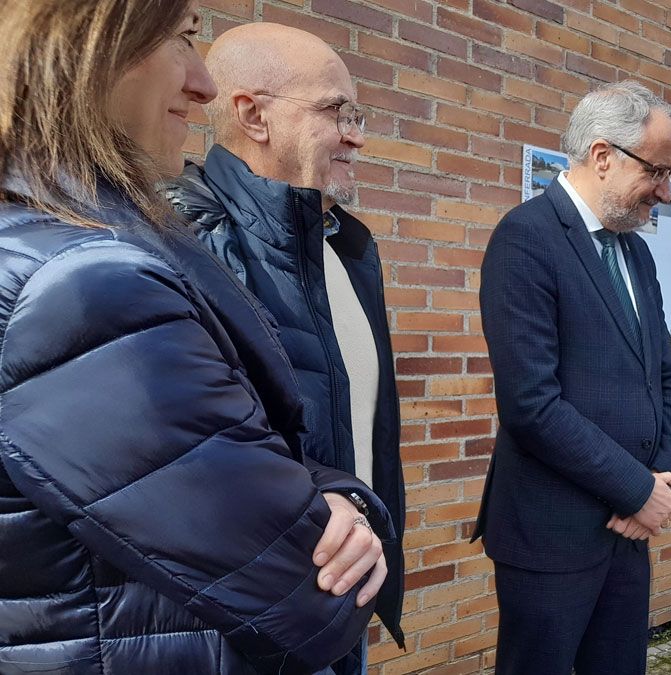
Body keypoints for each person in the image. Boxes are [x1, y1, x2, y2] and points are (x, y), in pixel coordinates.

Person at [0, 2, 397, 673]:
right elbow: (297, 578)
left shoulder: (348, 247)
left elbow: (271, 440)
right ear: (91, 47)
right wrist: (348, 525)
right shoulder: (99, 276)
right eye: (336, 111)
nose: (202, 83)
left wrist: (352, 500)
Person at [161, 23, 405, 668]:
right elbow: (186, 462)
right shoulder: (181, 240)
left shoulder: (344, 244)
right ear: (253, 116)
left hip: (338, 595)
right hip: (250, 624)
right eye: (334, 111)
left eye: (358, 114)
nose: (357, 134)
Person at [472, 81, 671, 675]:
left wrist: (660, 479)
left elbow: (667, 379)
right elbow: (531, 405)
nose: (666, 192)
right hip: (552, 535)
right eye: (659, 171)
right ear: (602, 156)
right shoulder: (525, 238)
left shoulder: (635, 253)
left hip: (627, 529)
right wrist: (635, 489)